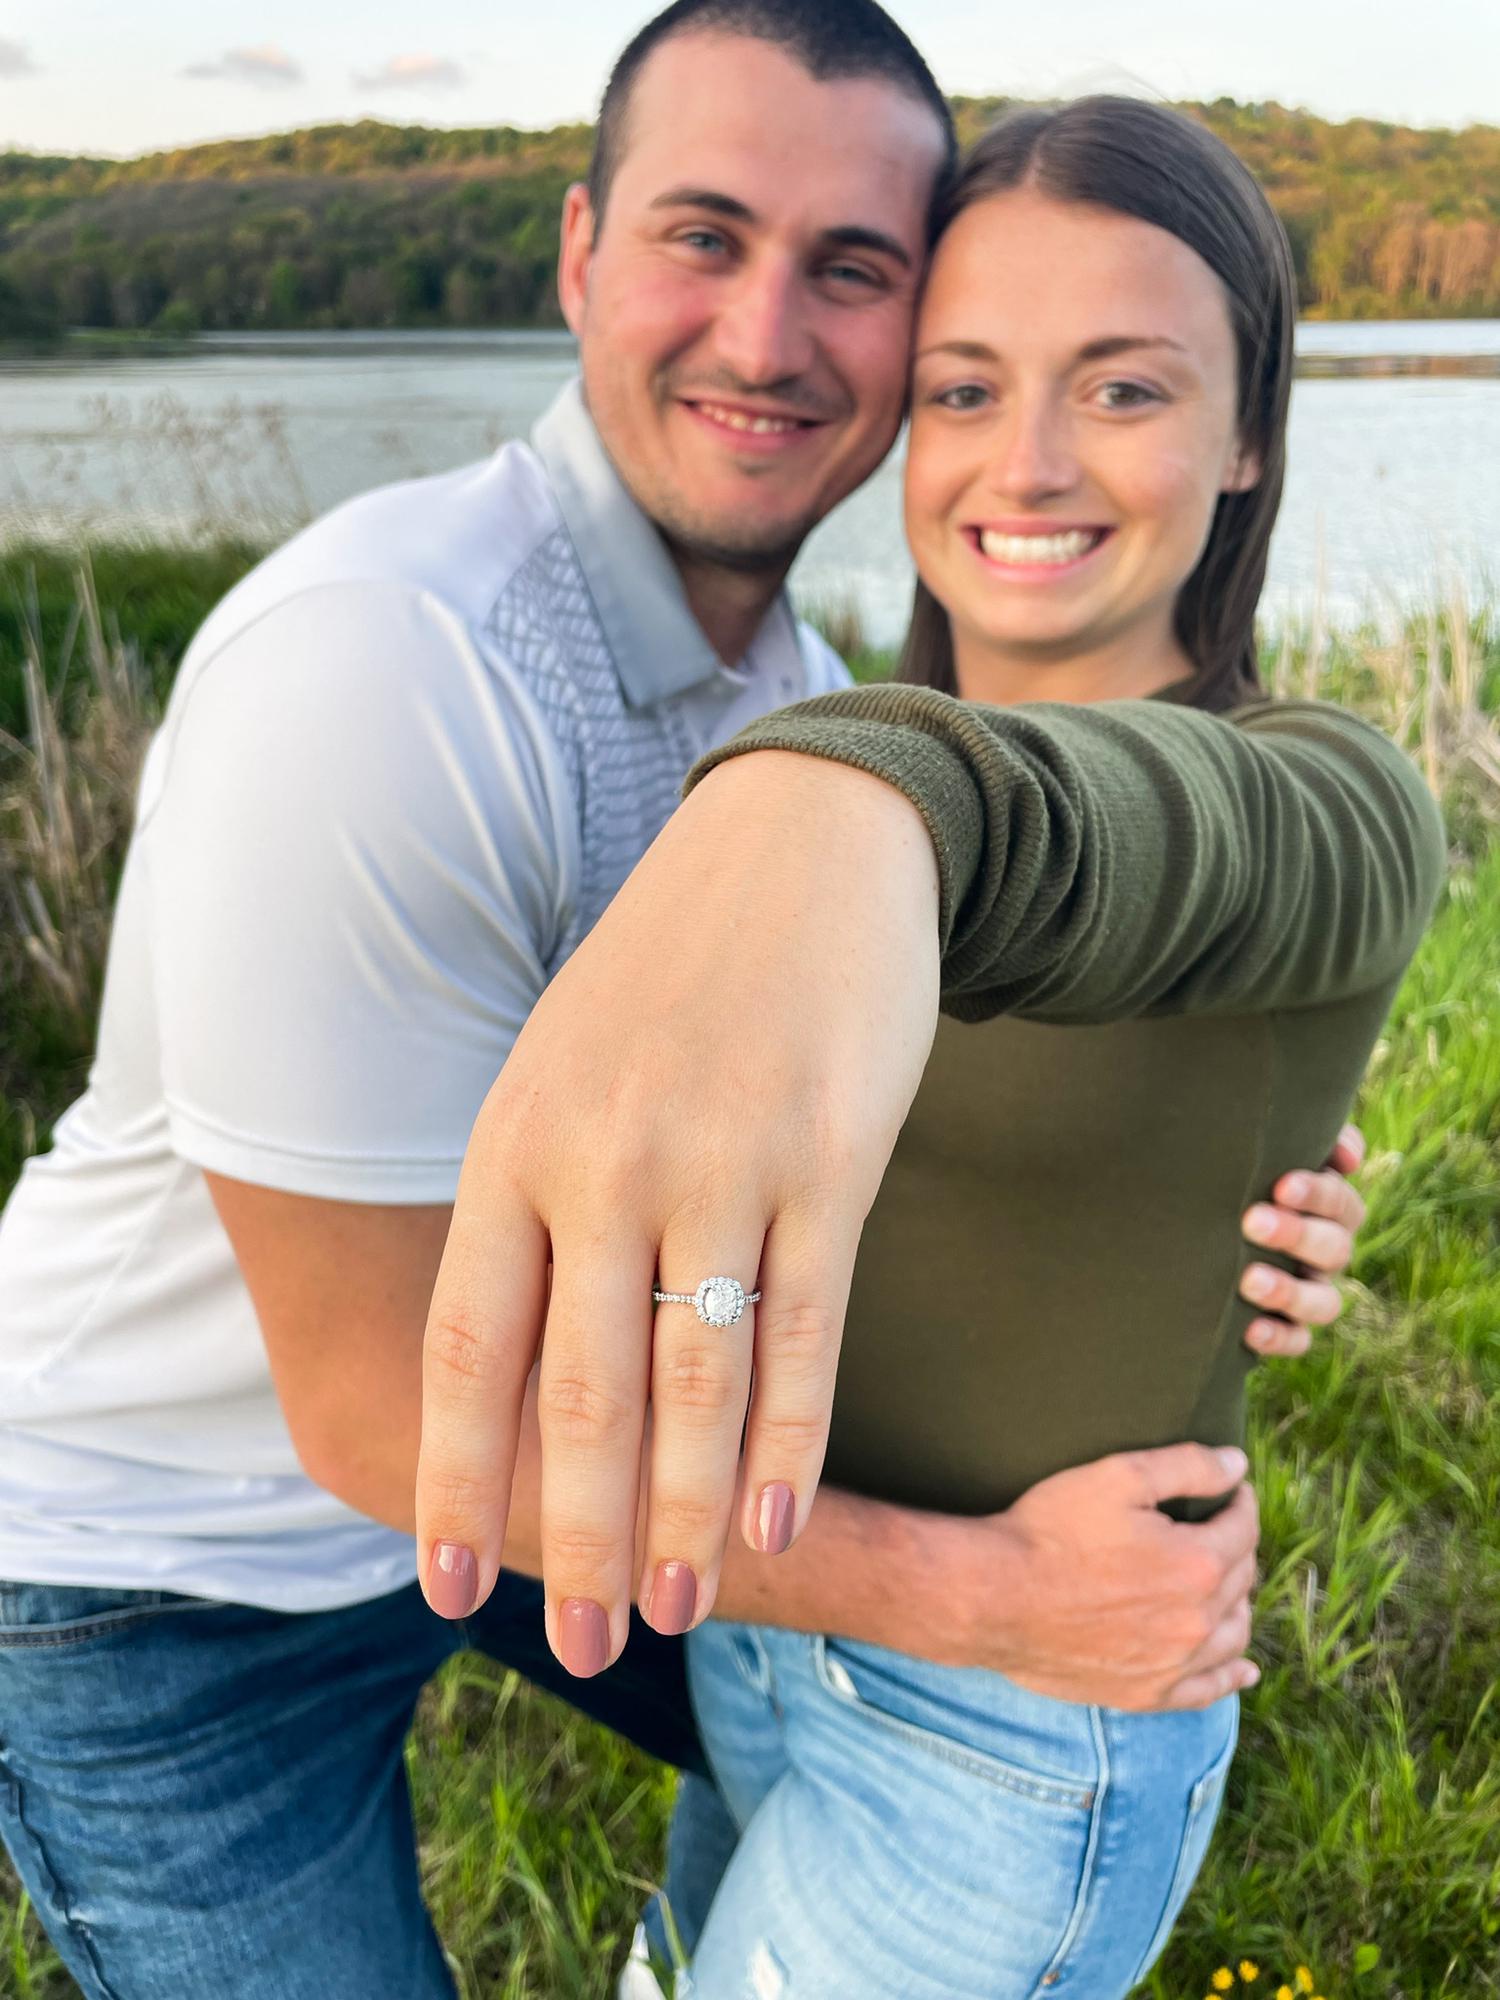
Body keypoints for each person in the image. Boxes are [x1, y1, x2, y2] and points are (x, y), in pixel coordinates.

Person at [0, 6, 1365, 1995]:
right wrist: (990, 1597)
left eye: (856, 270)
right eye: (704, 237)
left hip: (513, 1487)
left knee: (832, 1747)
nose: (766, 333)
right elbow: (378, 1414)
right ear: (578, 254)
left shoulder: (798, 696)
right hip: (165, 1575)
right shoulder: (382, 670)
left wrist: (1215, 1176)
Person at [412, 79, 1445, 2000]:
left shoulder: (1333, 796)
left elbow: (1119, 840)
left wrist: (861, 795)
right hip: (760, 1627)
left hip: (1011, 1732)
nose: (1027, 463)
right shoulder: (801, 753)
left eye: (1122, 387)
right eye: (965, 389)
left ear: (1247, 435)